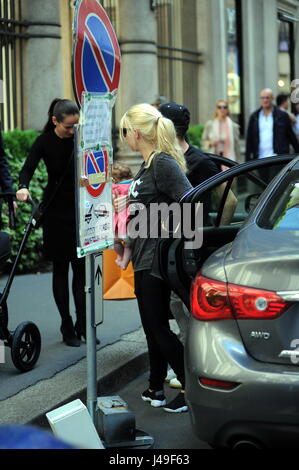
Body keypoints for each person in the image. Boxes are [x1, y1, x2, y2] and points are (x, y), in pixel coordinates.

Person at [120, 103, 192, 413]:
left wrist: (165, 233)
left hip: (157, 259)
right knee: (153, 327)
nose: (124, 138)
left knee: (157, 327)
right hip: (144, 255)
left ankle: (192, 390)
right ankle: (157, 386)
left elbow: (191, 203)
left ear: (136, 133)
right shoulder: (148, 164)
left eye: (124, 132)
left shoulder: (162, 163)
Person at [159, 101, 237, 388]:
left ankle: (197, 371)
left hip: (189, 250)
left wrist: (212, 234)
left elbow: (230, 200)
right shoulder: (164, 160)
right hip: (169, 250)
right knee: (176, 308)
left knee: (186, 308)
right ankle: (188, 368)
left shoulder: (199, 162)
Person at [16, 98, 90, 348]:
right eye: (69, 127)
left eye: (76, 126)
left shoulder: (81, 139)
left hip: (81, 211)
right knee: (60, 270)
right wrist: (23, 188)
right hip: (56, 214)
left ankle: (83, 324)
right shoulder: (45, 141)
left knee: (80, 272)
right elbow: (26, 170)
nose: (73, 131)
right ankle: (66, 324)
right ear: (55, 120)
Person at [246, 88, 299, 162]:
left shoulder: (282, 116)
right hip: (258, 160)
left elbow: (291, 136)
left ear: (272, 99)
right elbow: (249, 140)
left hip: (277, 159)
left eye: (267, 97)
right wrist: (247, 160)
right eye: (262, 98)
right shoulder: (254, 117)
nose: (265, 100)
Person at [201, 99, 240, 166]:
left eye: (225, 107)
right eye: (219, 107)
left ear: (227, 110)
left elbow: (236, 146)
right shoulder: (210, 125)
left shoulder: (233, 126)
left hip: (229, 160)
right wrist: (210, 143)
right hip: (214, 158)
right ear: (216, 109)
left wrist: (238, 163)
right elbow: (203, 141)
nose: (222, 109)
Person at [112, 162, 133, 270]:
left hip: (118, 223)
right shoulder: (133, 185)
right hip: (129, 221)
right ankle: (125, 262)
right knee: (129, 245)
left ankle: (120, 257)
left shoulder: (115, 188)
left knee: (116, 241)